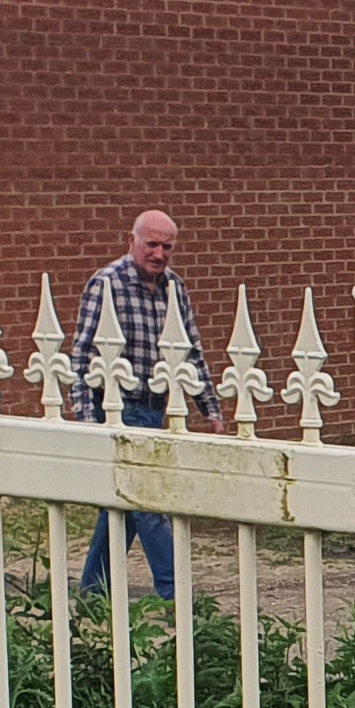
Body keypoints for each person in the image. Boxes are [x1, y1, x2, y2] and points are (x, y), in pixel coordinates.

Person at [70, 207, 220, 600]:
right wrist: (88, 419)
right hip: (120, 406)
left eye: (167, 247)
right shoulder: (107, 283)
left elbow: (191, 351)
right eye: (151, 244)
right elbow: (82, 354)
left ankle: (91, 591)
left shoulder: (174, 288)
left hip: (159, 409)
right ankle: (178, 594)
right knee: (148, 503)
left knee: (123, 508)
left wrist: (210, 409)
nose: (159, 253)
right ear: (132, 241)